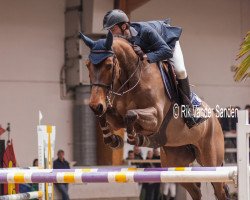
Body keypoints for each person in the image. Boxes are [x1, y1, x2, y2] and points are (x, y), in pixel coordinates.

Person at [103, 9, 205, 128]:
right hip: (151, 48)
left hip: (167, 43)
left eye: (112, 29)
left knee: (180, 71)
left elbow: (165, 51)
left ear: (124, 26)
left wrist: (146, 56)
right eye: (109, 30)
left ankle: (190, 109)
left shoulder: (145, 31)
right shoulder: (122, 39)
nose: (111, 33)